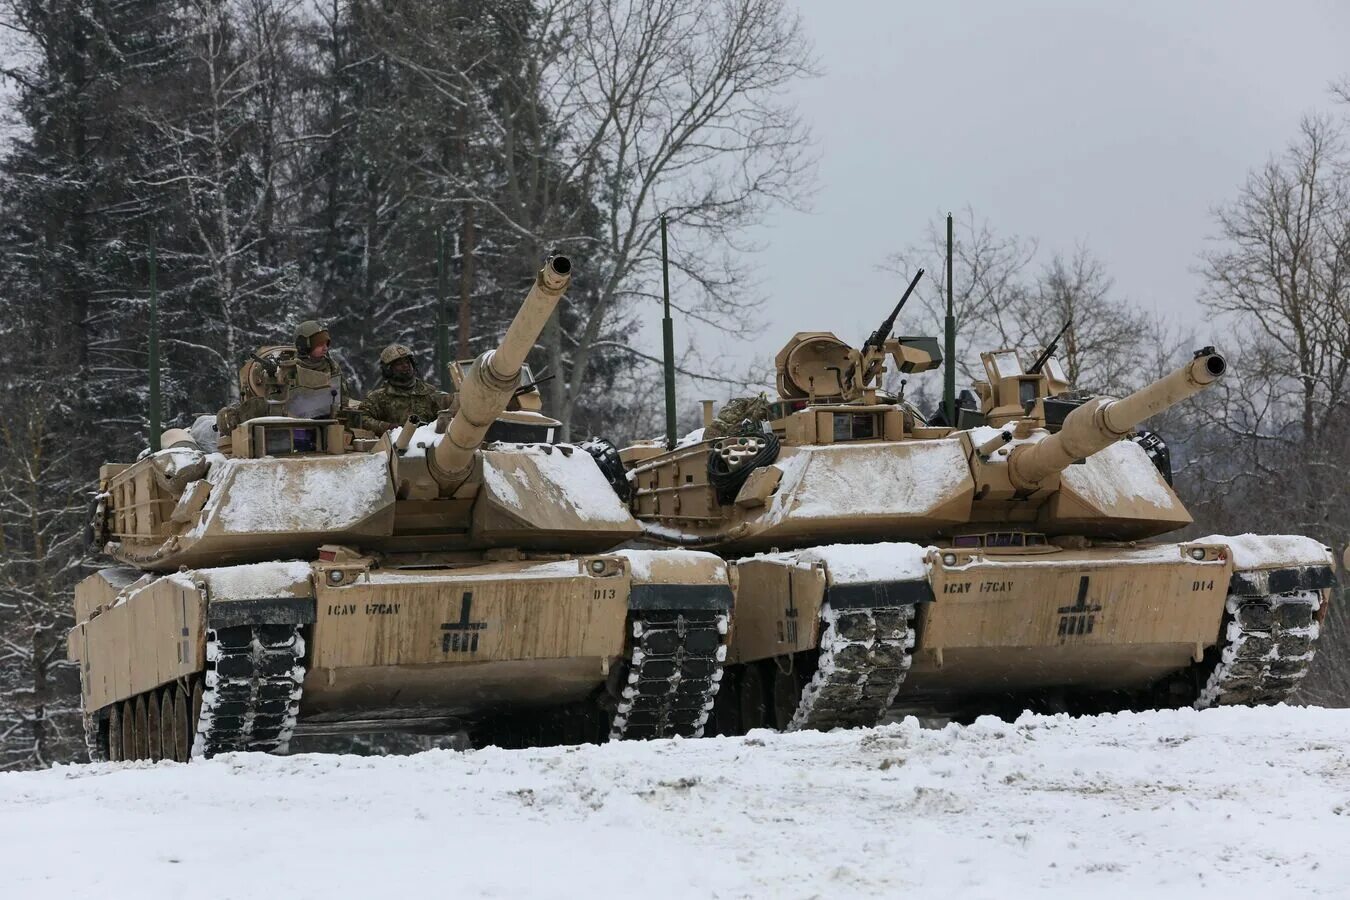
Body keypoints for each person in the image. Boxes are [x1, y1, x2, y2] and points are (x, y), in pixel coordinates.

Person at [360, 343, 453, 435]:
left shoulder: (430, 392)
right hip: (394, 445)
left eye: (408, 362)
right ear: (388, 369)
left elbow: (448, 416)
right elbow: (361, 419)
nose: (405, 366)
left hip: (427, 445)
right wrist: (387, 427)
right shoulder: (379, 397)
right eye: (399, 364)